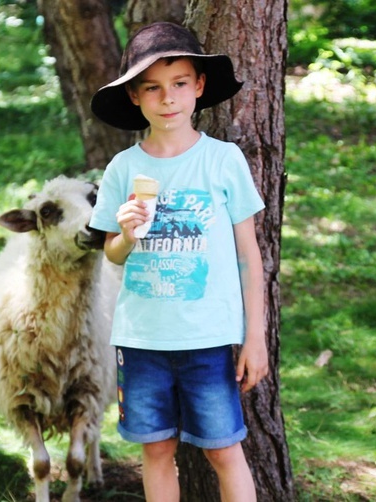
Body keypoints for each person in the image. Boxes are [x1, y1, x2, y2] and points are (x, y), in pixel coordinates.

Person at [89, 22, 269, 501]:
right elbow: (111, 254)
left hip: (207, 337)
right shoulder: (123, 168)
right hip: (142, 339)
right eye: (153, 88)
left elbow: (250, 257)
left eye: (179, 84)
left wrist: (255, 338)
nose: (168, 98)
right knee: (157, 449)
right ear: (134, 96)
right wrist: (126, 233)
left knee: (224, 451)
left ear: (199, 87)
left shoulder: (223, 161)